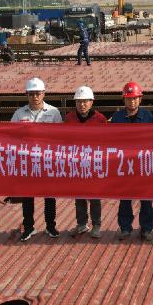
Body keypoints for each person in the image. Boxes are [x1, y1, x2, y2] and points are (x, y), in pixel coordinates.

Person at [13, 77, 63, 242]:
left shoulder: (53, 112)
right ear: (27, 95)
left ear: (44, 94)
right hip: (27, 163)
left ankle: (50, 226)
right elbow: (10, 135)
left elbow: (61, 137)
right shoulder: (19, 114)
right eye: (31, 94)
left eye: (38, 93)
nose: (35, 97)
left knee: (50, 196)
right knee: (28, 196)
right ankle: (28, 228)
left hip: (47, 161)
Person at [110, 81, 153, 240]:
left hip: (142, 164)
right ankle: (125, 227)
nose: (132, 101)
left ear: (140, 99)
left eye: (135, 98)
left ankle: (146, 228)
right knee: (124, 198)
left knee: (146, 199)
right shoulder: (116, 118)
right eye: (129, 98)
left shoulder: (148, 117)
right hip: (123, 164)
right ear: (124, 100)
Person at [66, 85, 107, 239]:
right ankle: (82, 224)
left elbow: (107, 141)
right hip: (76, 163)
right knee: (79, 196)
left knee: (94, 196)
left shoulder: (100, 119)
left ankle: (96, 225)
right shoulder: (69, 118)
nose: (82, 105)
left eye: (85, 101)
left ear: (91, 102)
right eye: (79, 102)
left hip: (93, 163)